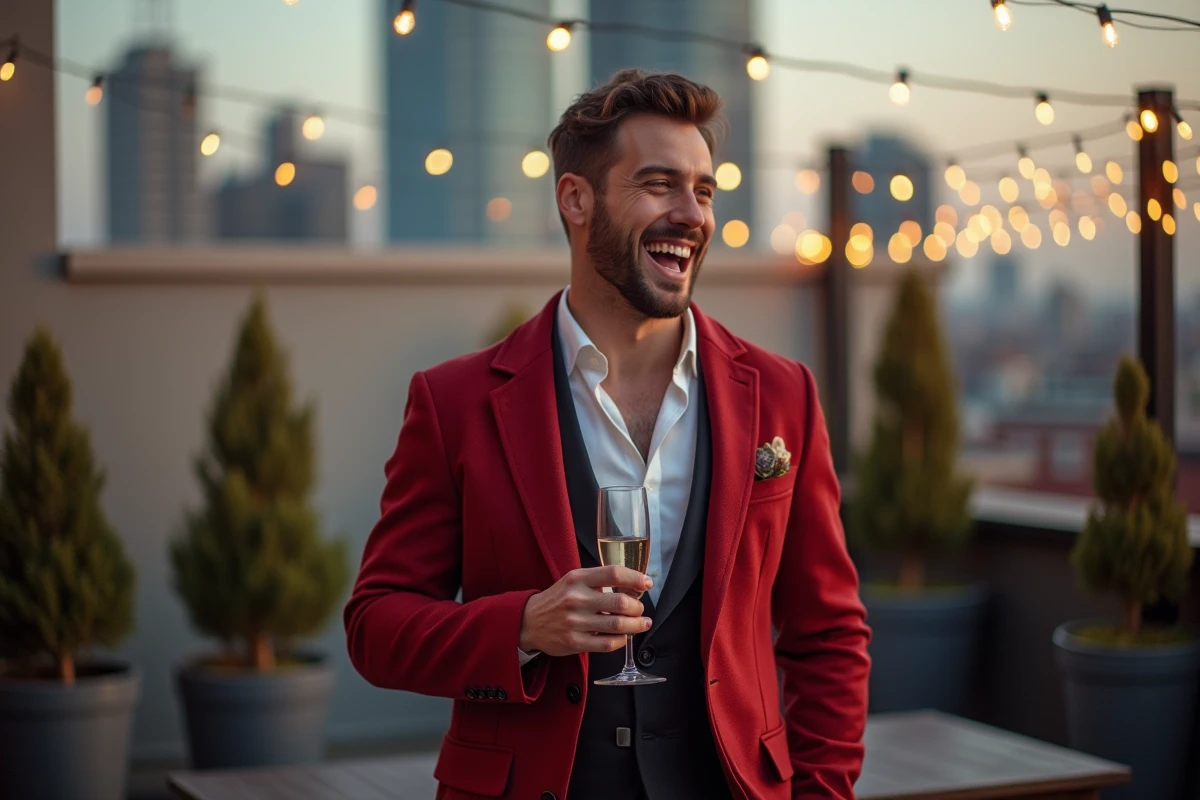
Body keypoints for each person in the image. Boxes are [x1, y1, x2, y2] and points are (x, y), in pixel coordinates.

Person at [344, 68, 871, 800]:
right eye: (659, 185)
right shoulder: (455, 402)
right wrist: (524, 626)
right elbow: (376, 626)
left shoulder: (784, 396)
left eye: (705, 191)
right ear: (576, 200)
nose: (691, 214)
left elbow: (829, 636)